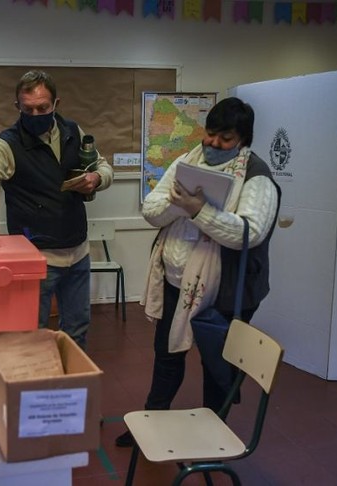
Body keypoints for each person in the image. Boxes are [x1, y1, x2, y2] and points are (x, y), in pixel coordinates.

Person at [115, 97, 280, 447]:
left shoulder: (257, 176)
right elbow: (151, 210)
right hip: (176, 283)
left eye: (226, 139)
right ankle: (152, 420)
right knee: (167, 355)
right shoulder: (188, 161)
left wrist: (197, 209)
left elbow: (246, 234)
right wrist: (182, 206)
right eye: (210, 134)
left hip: (225, 290)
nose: (213, 144)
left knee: (217, 367)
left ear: (243, 140)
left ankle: (213, 434)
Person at [0, 70, 114, 349]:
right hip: (34, 257)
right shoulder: (6, 143)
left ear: (56, 103)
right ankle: (34, 388)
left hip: (77, 251)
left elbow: (103, 166)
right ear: (17, 107)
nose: (36, 114)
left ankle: (68, 385)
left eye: (43, 108)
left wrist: (97, 178)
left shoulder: (73, 131)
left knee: (78, 329)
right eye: (28, 109)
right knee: (31, 334)